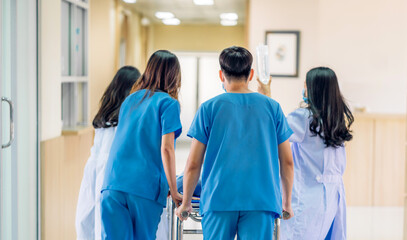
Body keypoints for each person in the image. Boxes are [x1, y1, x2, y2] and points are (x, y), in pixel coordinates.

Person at [176, 46, 295, 240]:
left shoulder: (208, 108)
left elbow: (193, 164)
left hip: (218, 199)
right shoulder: (272, 108)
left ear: (221, 75)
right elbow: (287, 161)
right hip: (261, 201)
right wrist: (287, 202)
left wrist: (186, 203)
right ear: (251, 74)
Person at [258, 67, 354, 239]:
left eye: (306, 85)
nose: (304, 89)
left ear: (314, 90)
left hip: (308, 198)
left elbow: (274, 128)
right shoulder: (337, 120)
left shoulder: (304, 118)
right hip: (333, 197)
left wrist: (265, 95)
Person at [100, 50, 183, 240]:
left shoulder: (130, 100)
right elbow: (167, 149)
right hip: (144, 188)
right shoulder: (168, 104)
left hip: (113, 184)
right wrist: (174, 189)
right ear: (174, 76)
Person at [75, 66, 141, 240]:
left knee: (91, 219)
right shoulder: (129, 118)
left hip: (95, 169)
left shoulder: (104, 117)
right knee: (110, 223)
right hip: (115, 174)